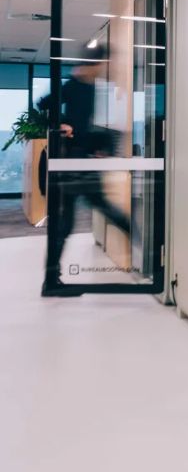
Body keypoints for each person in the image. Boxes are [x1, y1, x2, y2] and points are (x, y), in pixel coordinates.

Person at [40, 45, 131, 296]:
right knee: (87, 213)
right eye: (104, 63)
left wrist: (100, 146)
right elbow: (43, 104)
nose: (105, 68)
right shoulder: (73, 85)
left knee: (70, 222)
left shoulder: (92, 88)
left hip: (82, 160)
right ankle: (148, 244)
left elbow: (87, 126)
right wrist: (62, 123)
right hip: (72, 163)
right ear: (94, 63)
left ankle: (51, 281)